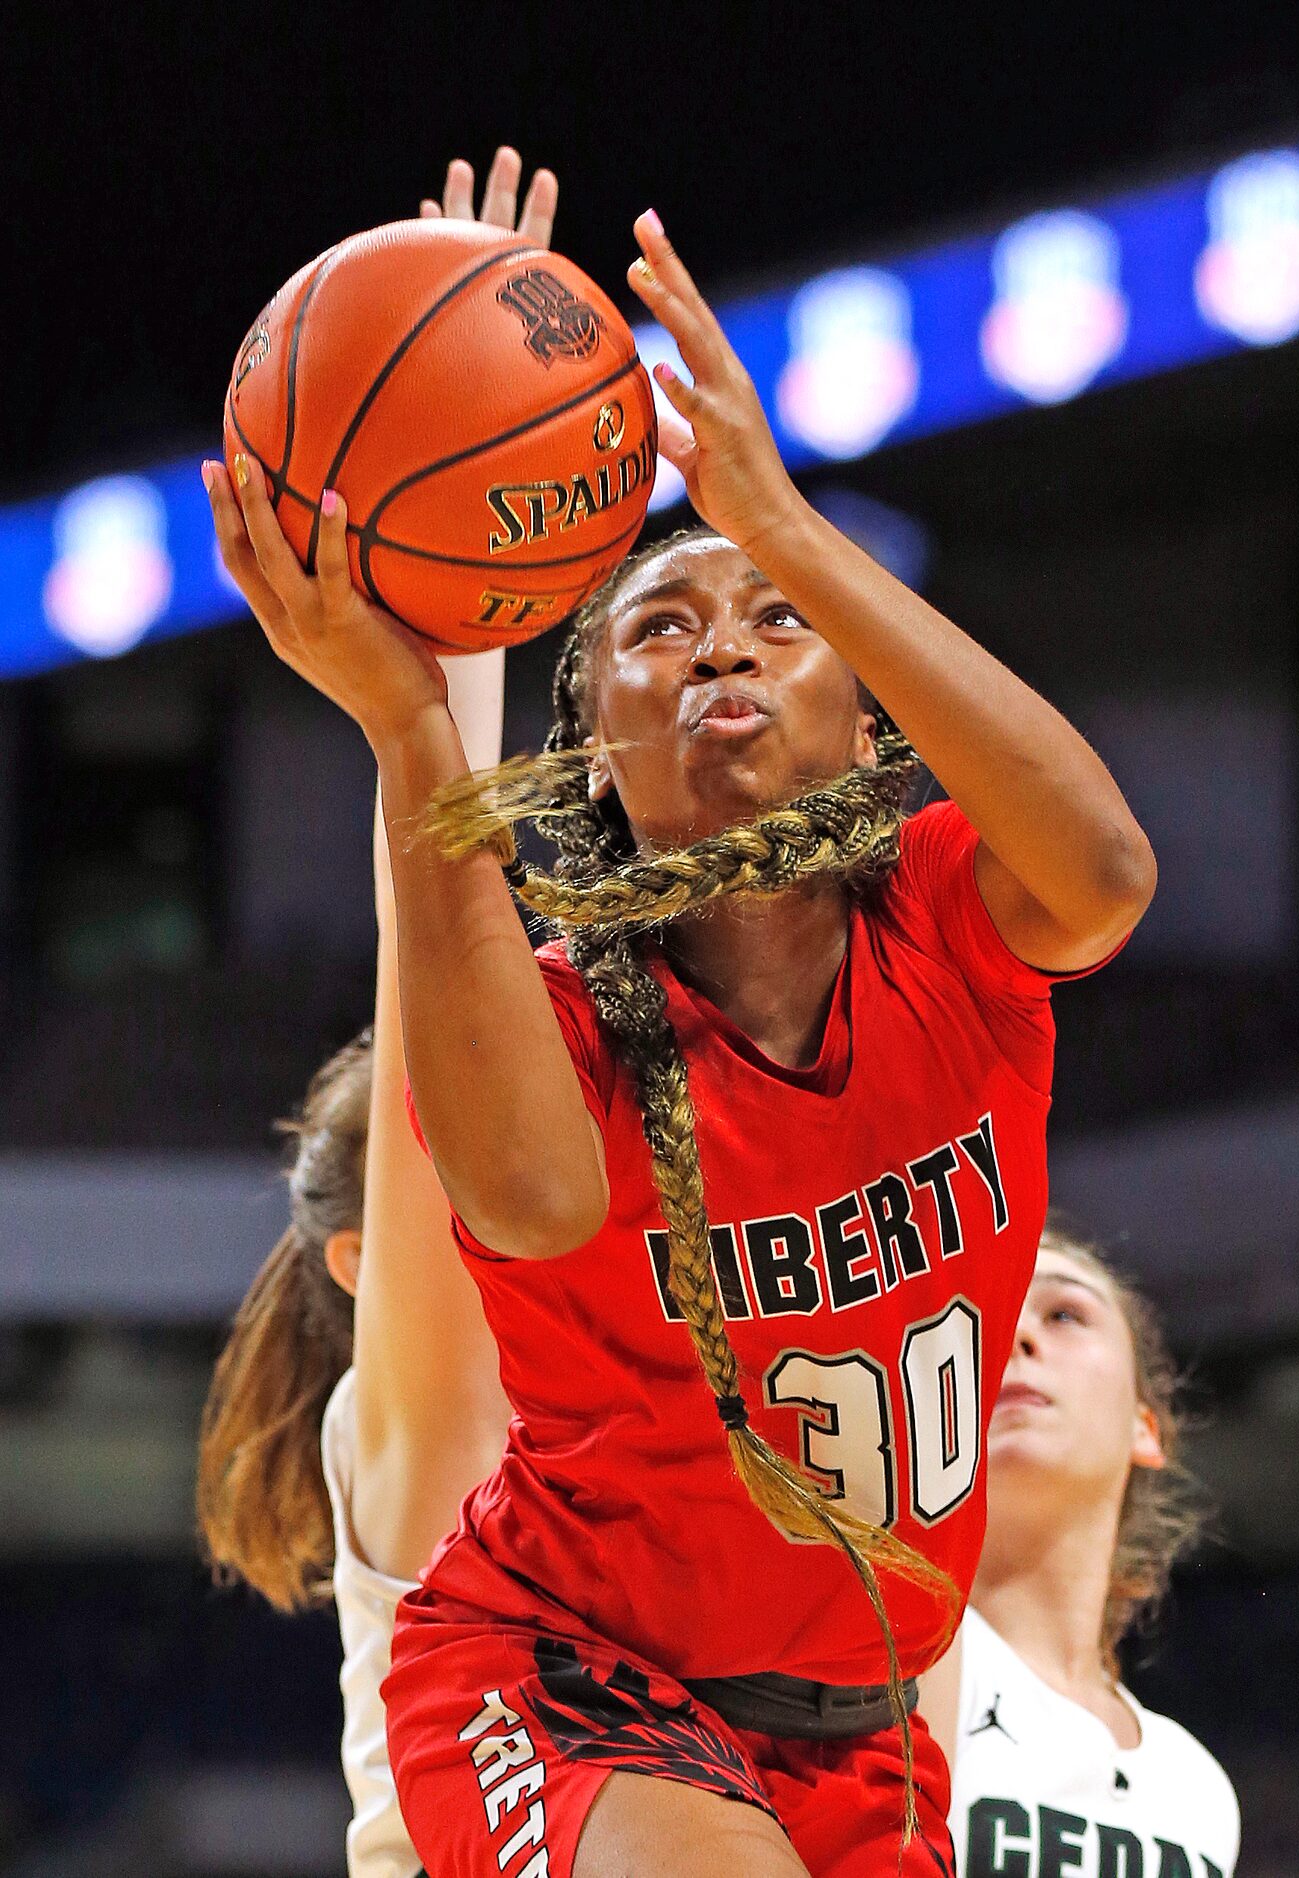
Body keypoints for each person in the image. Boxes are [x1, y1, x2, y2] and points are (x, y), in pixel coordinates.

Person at [205, 173, 1157, 1877]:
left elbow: (1097, 868)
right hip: (571, 1675)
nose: (724, 640)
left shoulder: (951, 918)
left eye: (778, 625)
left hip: (858, 1732)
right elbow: (522, 1201)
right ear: (596, 753)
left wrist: (786, 526)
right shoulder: (565, 1027)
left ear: (862, 714)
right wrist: (414, 723)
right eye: (660, 624)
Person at [197, 152, 546, 1878]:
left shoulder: (627, 1396)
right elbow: (443, 1026)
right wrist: (444, 659)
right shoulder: (426, 1431)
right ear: (370, 1255)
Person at [920, 1226, 1240, 1878]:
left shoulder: (1199, 1791)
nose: (1014, 1338)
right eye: (980, 1321)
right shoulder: (901, 1652)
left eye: (1064, 1313)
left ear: (1143, 1428)